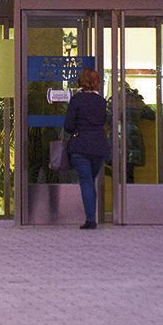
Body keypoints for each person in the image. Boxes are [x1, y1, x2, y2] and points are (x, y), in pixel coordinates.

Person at [63, 67, 108, 229]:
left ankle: (91, 220)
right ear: (96, 83)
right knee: (90, 181)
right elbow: (103, 121)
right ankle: (92, 217)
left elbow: (68, 125)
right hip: (98, 147)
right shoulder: (102, 102)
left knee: (86, 181)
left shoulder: (76, 100)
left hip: (80, 147)